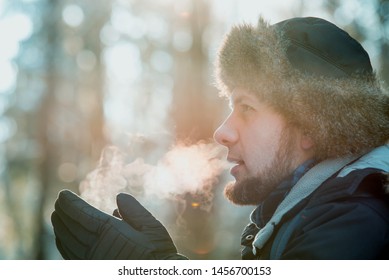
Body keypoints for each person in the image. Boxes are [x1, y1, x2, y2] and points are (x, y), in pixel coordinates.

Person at [51, 16, 389, 260]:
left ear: (313, 126)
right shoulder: (307, 212)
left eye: (246, 108)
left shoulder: (357, 221)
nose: (221, 132)